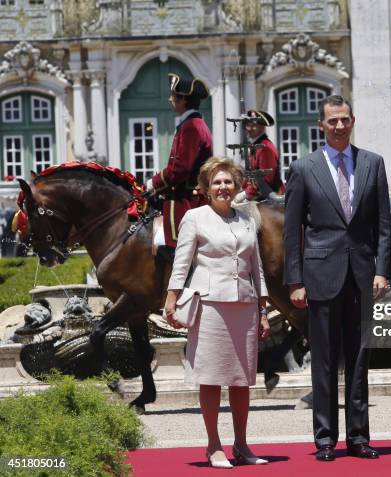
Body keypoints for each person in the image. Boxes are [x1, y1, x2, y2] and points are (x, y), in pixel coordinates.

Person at [283, 94, 391, 462]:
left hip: (362, 275)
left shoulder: (373, 164)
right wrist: (295, 281)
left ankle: (359, 438)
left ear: (353, 119)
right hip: (320, 275)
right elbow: (292, 230)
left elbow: (383, 225)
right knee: (326, 361)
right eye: (333, 121)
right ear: (321, 124)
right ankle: (326, 439)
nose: (340, 126)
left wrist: (381, 270)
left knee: (359, 360)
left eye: (345, 119)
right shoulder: (303, 168)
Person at [163, 157, 271, 468]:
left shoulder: (247, 220)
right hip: (209, 305)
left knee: (241, 379)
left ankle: (241, 444)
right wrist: (172, 299)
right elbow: (181, 262)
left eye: (228, 182)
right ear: (206, 188)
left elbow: (257, 268)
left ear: (236, 186)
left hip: (245, 305)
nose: (223, 187)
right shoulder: (194, 218)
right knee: (210, 378)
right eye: (217, 182)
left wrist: (263, 309)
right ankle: (213, 445)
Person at [146, 73, 213, 250]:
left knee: (177, 249)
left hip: (186, 200)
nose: (170, 99)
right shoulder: (193, 123)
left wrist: (153, 183)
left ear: (183, 99)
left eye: (173, 96)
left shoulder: (191, 127)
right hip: (186, 196)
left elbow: (180, 169)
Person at [235, 110, 285, 202]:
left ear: (262, 127)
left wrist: (245, 194)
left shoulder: (265, 148)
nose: (248, 129)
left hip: (271, 202)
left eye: (252, 125)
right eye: (247, 125)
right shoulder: (257, 146)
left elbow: (265, 182)